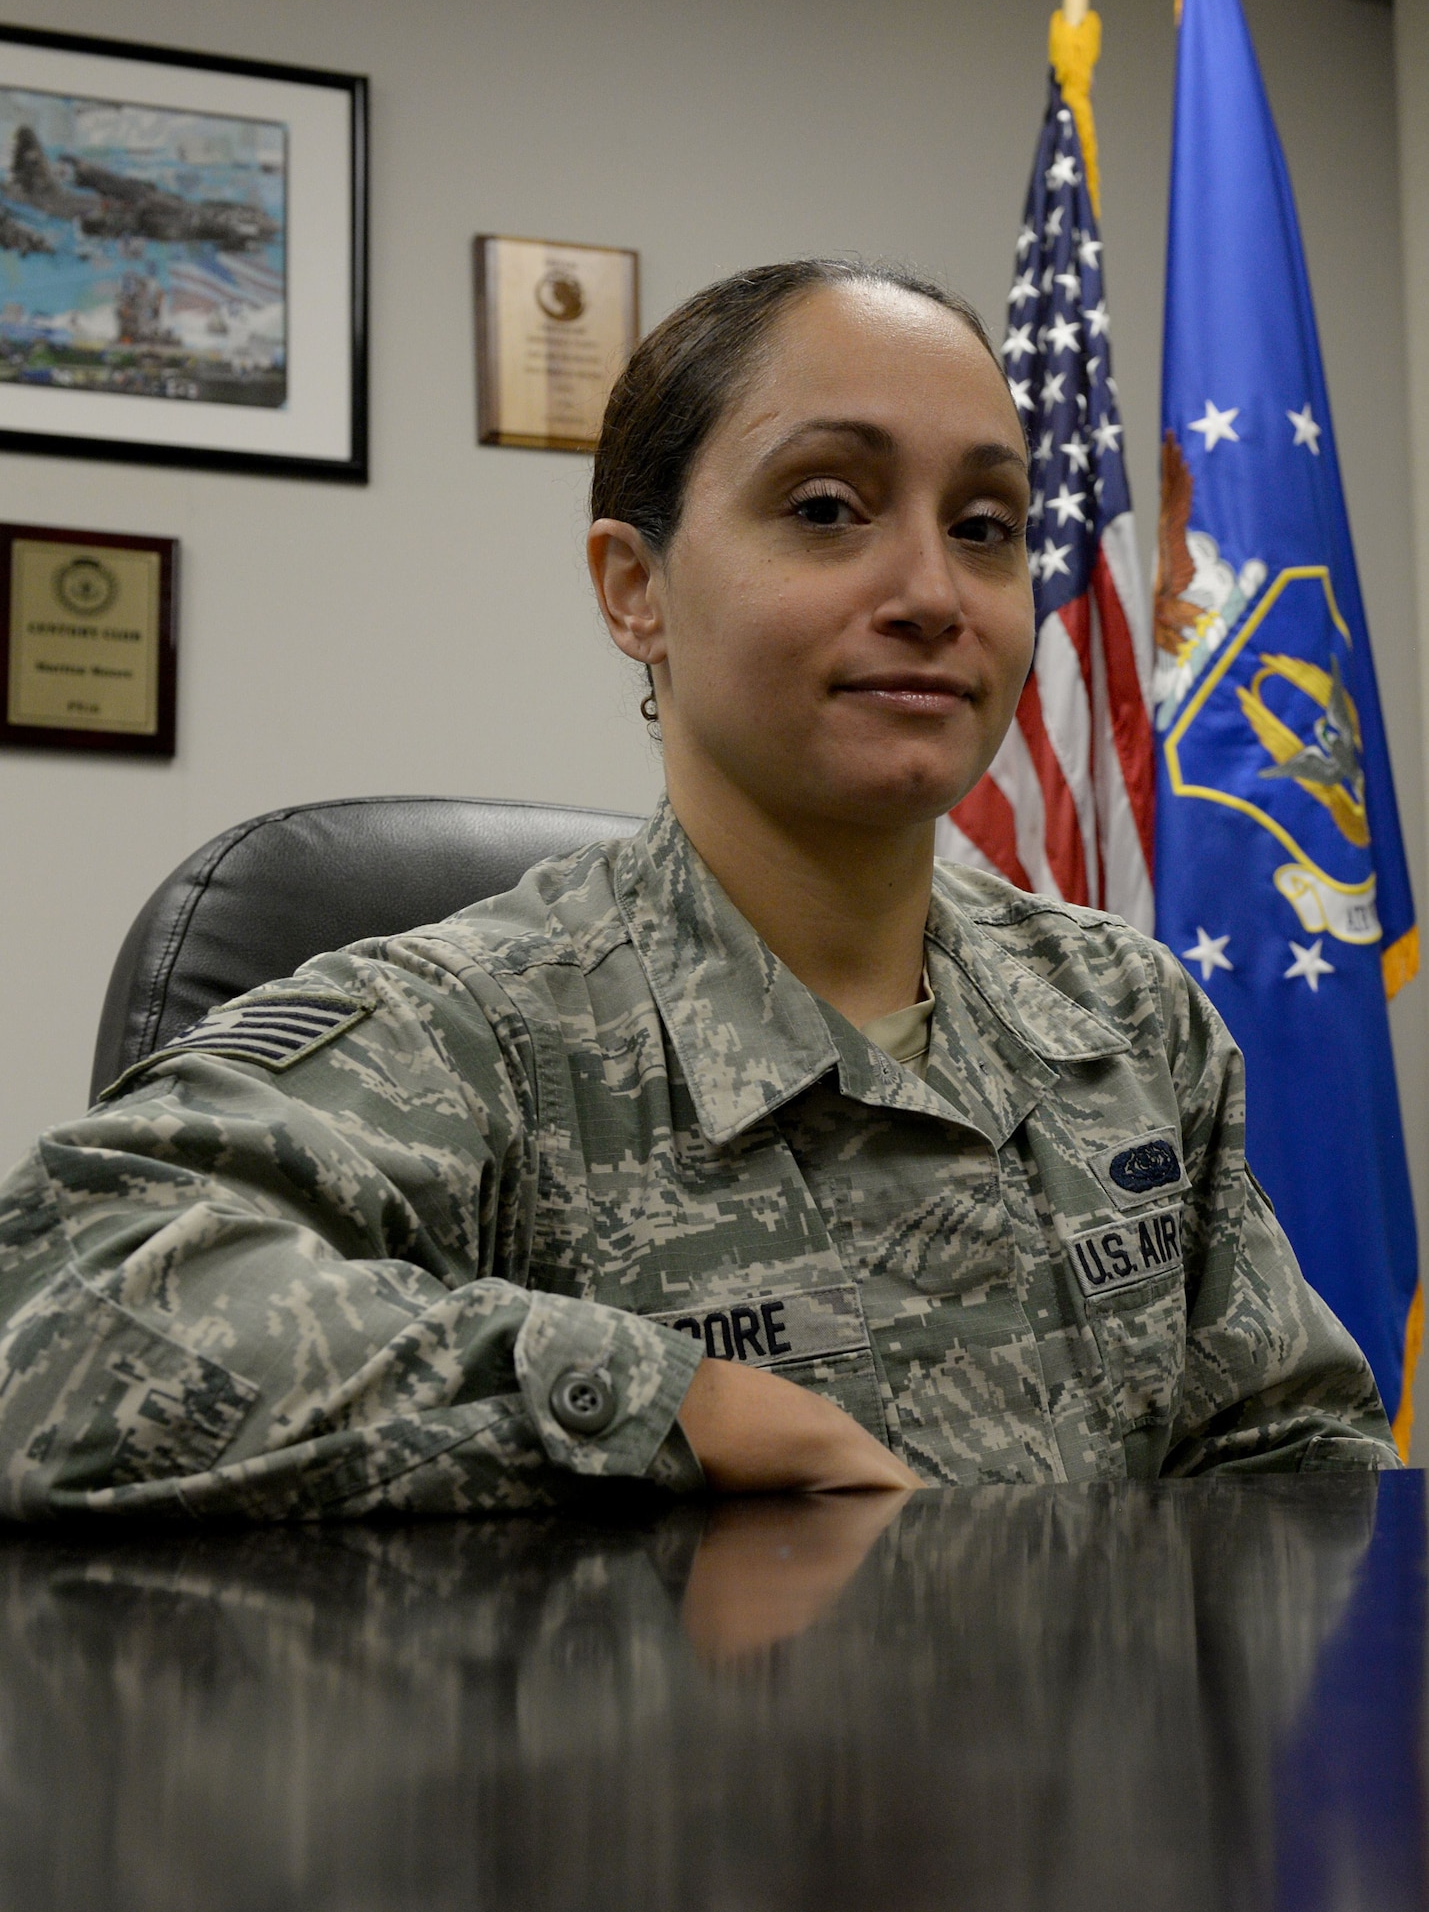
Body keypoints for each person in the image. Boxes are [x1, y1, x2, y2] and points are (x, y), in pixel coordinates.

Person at [0, 259, 1397, 1520]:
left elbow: (1292, 1480)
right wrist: (664, 1405)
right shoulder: (468, 1033)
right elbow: (56, 1325)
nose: (931, 589)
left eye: (984, 525)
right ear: (635, 589)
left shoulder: (1122, 1018)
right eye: (826, 509)